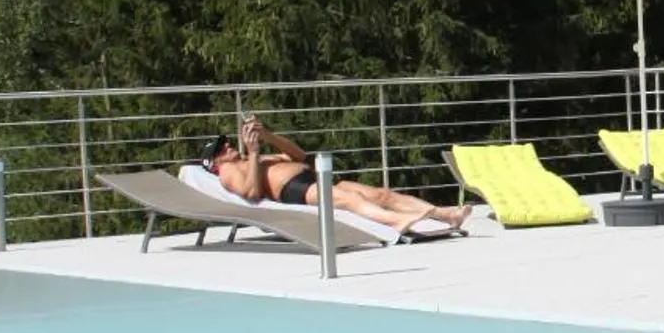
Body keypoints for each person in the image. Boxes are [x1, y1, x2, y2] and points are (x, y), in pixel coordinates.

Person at [202, 117, 473, 234]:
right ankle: (395, 223)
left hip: (312, 178)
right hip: (295, 190)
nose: (227, 146)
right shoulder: (228, 172)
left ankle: (447, 215)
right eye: (220, 149)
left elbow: (298, 156)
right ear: (214, 163)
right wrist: (251, 151)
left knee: (382, 194)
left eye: (225, 142)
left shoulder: (256, 157)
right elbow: (252, 193)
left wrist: (267, 137)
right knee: (352, 200)